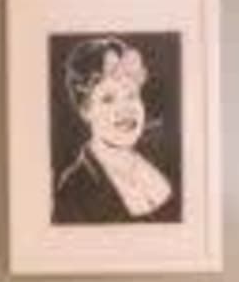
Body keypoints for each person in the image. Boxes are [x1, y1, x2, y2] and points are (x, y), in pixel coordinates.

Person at [50, 37, 177, 223]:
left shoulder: (163, 157)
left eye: (131, 94)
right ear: (86, 110)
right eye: (108, 99)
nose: (125, 109)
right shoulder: (74, 189)